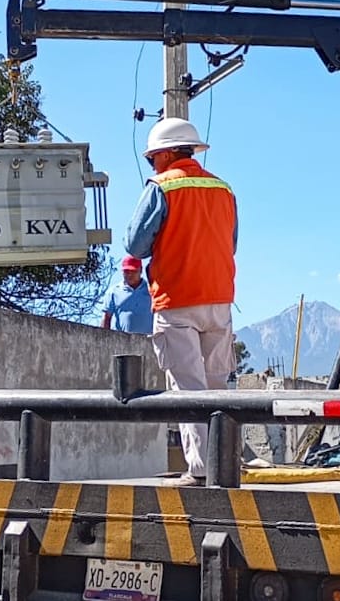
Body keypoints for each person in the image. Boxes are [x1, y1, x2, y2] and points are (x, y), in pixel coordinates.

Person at [125, 117, 238, 487]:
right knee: (219, 385)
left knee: (188, 388)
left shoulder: (162, 186)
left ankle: (202, 470)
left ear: (168, 153)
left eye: (153, 157)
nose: (152, 165)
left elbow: (135, 245)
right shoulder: (223, 189)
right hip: (219, 298)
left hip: (177, 299)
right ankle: (226, 465)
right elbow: (231, 244)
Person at [100, 255, 153, 334]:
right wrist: (104, 339)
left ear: (141, 270)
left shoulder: (151, 291)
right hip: (122, 343)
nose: (130, 275)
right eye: (126, 271)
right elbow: (106, 317)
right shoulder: (113, 292)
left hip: (148, 342)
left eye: (133, 271)